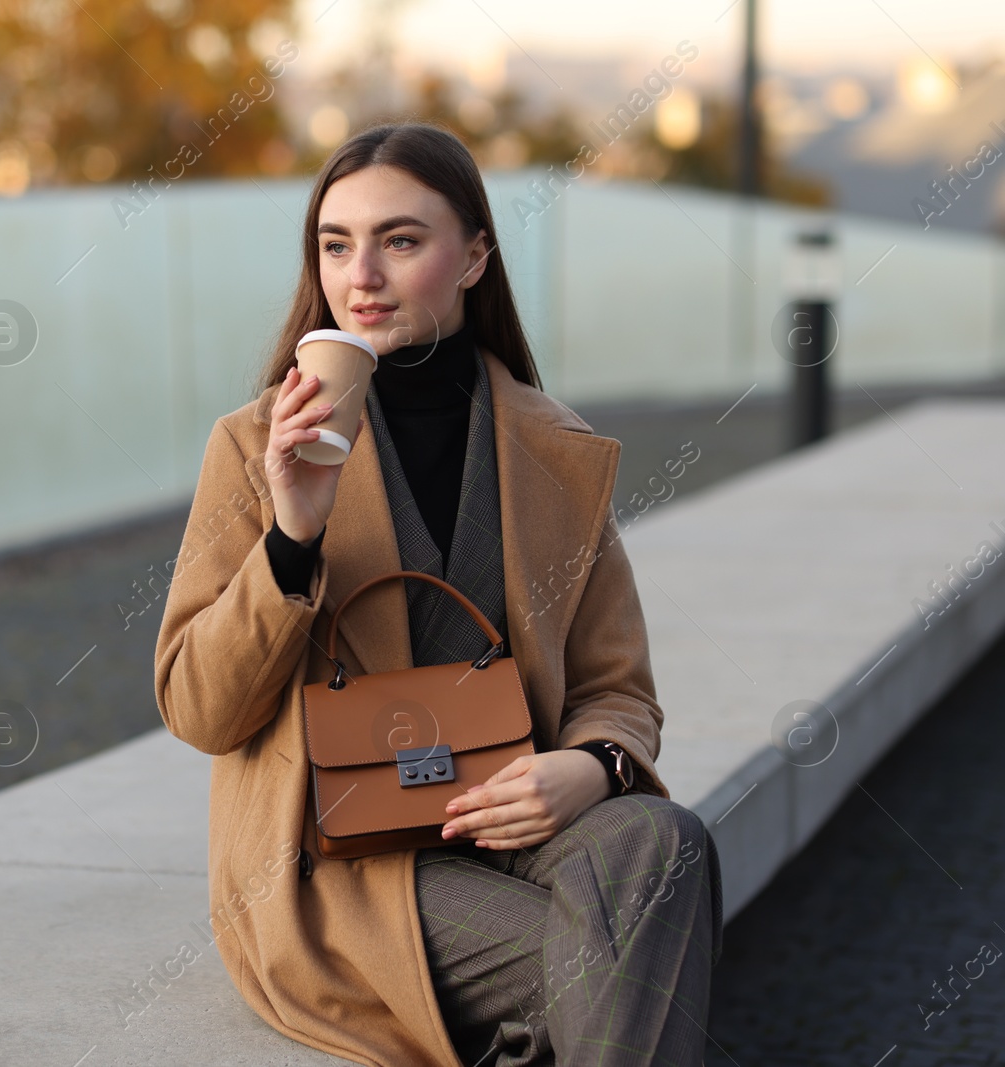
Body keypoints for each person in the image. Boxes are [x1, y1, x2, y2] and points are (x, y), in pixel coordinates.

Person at [153, 121, 722, 1066]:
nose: (360, 274)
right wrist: (292, 537)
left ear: (475, 258)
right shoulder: (256, 446)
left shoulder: (556, 452)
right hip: (341, 866)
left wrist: (592, 768)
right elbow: (198, 707)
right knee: (618, 962)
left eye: (401, 240)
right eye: (336, 245)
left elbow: (618, 688)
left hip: (508, 825)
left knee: (662, 842)